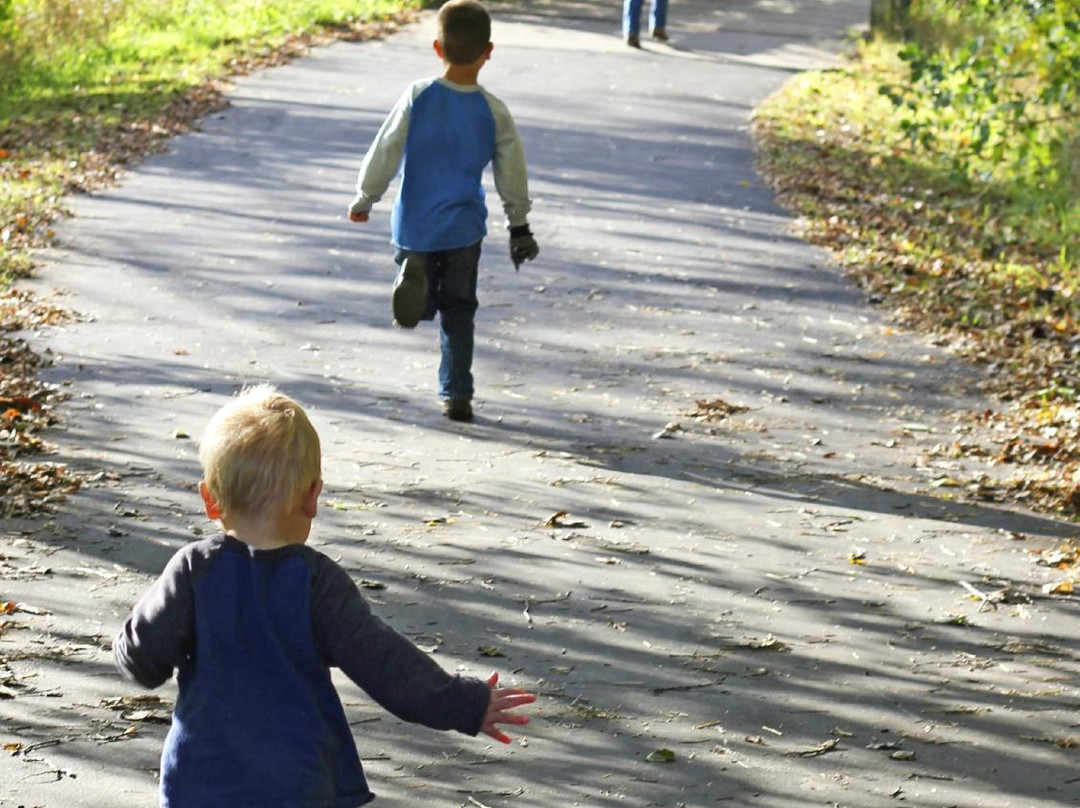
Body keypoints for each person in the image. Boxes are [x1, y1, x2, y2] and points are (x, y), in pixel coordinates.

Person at [113, 385, 535, 808]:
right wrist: (465, 703)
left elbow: (145, 660)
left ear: (209, 499)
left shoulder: (193, 569)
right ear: (313, 497)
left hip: (201, 783)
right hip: (296, 784)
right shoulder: (316, 582)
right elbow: (387, 665)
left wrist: (128, 644)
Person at [348, 0, 538, 423]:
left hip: (414, 223)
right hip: (463, 228)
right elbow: (512, 171)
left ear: (437, 48)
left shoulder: (418, 96)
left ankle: (416, 283)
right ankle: (456, 394)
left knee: (423, 273)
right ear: (488, 52)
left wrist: (365, 197)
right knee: (460, 310)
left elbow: (386, 148)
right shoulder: (494, 111)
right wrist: (519, 224)